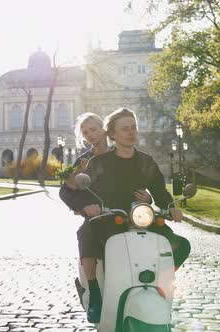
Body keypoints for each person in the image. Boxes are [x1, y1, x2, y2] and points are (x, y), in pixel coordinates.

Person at [79, 108, 191, 323]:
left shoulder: (146, 162)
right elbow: (86, 191)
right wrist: (90, 208)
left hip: (141, 219)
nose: (131, 133)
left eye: (133, 128)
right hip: (109, 219)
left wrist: (170, 207)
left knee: (181, 246)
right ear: (112, 134)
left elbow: (159, 191)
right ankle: (94, 291)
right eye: (125, 129)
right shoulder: (100, 163)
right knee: (86, 232)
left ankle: (161, 281)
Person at [58, 112, 152, 323]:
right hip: (98, 218)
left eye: (94, 129)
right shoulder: (83, 161)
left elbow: (138, 183)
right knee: (85, 231)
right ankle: (94, 291)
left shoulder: (122, 154)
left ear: (104, 129)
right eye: (85, 132)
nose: (90, 134)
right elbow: (65, 191)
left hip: (127, 216)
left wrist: (147, 197)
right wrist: (84, 208)